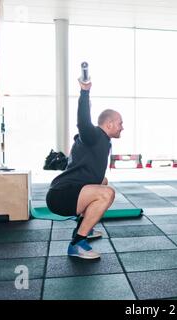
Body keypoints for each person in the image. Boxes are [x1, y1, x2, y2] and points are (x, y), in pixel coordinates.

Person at [46, 80, 124, 259]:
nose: (122, 127)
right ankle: (78, 243)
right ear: (109, 124)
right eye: (120, 123)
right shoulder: (94, 135)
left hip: (67, 192)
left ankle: (84, 227)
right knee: (107, 193)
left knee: (103, 182)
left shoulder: (100, 140)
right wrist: (84, 93)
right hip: (61, 195)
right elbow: (83, 122)